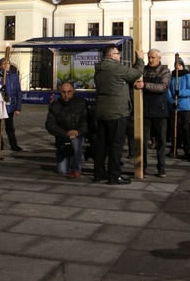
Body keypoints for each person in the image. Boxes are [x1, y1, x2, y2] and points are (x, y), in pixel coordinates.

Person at [94, 45, 144, 185]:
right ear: (111, 56)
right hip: (116, 112)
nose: (120, 56)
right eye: (118, 53)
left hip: (102, 112)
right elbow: (136, 73)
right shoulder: (115, 68)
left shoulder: (100, 68)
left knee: (102, 145)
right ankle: (114, 176)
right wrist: (140, 59)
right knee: (116, 145)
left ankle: (99, 173)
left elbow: (127, 75)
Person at [135, 48, 171, 178]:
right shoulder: (143, 70)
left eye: (153, 58)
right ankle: (142, 168)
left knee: (161, 142)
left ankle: (161, 168)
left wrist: (145, 85)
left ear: (159, 58)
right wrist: (139, 59)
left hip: (160, 111)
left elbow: (163, 87)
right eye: (149, 57)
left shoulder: (165, 71)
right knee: (142, 142)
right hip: (145, 111)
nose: (150, 60)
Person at [45, 82, 88, 179]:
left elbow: (86, 121)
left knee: (76, 144)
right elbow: (50, 124)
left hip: (77, 133)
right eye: (63, 92)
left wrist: (78, 132)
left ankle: (76, 169)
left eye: (69, 92)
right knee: (62, 171)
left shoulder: (81, 103)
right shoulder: (54, 106)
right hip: (62, 136)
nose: (66, 95)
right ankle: (64, 155)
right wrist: (65, 133)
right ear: (60, 92)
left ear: (73, 91)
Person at [166, 57, 190, 159]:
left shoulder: (187, 76)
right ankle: (173, 149)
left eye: (179, 65)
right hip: (174, 107)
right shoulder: (172, 76)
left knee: (185, 129)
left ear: (182, 65)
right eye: (176, 65)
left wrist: (180, 93)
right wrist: (172, 101)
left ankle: (187, 150)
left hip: (184, 106)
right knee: (173, 129)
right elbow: (168, 90)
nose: (177, 67)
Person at [0, 57, 23, 151]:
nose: (7, 65)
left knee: (10, 126)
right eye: (5, 63)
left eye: (8, 63)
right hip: (0, 105)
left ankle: (13, 144)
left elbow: (18, 92)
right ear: (1, 65)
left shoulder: (13, 76)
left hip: (10, 106)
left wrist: (18, 107)